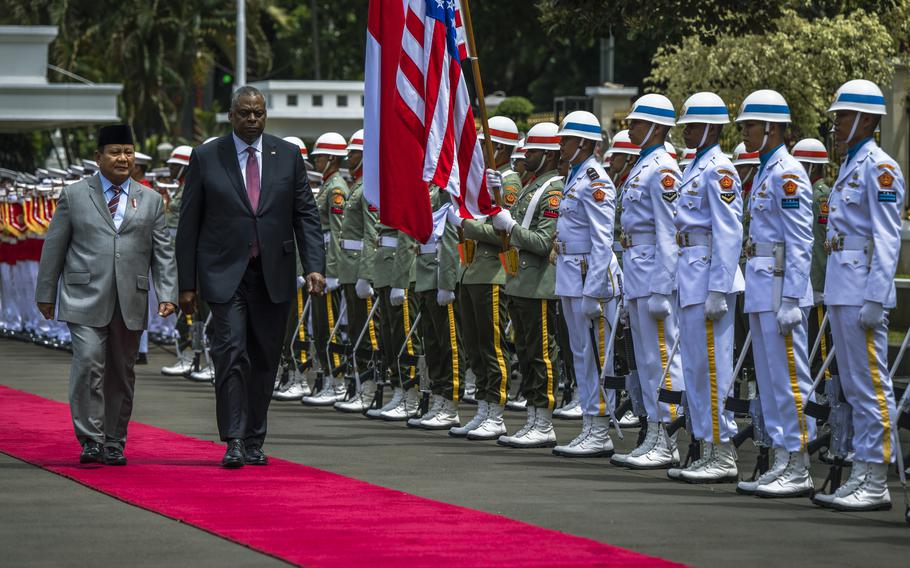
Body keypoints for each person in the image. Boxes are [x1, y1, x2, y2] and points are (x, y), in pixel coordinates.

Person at [176, 86, 325, 468]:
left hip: (272, 274)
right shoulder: (207, 157)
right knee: (230, 353)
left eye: (258, 113)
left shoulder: (287, 156)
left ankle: (256, 437)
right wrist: (187, 285)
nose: (253, 120)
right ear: (231, 115)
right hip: (225, 276)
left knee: (264, 359)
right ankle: (235, 439)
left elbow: (305, 214)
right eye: (245, 113)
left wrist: (314, 267)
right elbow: (188, 224)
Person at [35, 124, 177, 465]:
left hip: (131, 298)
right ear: (98, 157)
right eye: (115, 152)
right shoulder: (73, 195)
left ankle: (114, 440)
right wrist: (46, 291)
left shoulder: (152, 200)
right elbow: (54, 247)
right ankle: (90, 439)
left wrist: (167, 292)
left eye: (128, 152)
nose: (123, 158)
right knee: (87, 365)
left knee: (121, 372)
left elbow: (163, 252)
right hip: (83, 296)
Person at [813, 80, 903, 511]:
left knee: (870, 386)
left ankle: (875, 475)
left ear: (867, 120)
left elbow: (887, 238)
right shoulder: (851, 163)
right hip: (843, 288)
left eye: (843, 117)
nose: (836, 124)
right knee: (853, 385)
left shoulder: (880, 167)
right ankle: (863, 470)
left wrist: (875, 295)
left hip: (862, 289)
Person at [734, 90, 816, 498]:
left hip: (780, 288)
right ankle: (784, 456)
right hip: (764, 285)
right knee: (770, 380)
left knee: (789, 380)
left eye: (749, 125)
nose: (745, 133)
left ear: (770, 127)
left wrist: (791, 298)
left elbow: (800, 241)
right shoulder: (768, 171)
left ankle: (799, 461)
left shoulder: (787, 173)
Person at [667, 92, 745, 481]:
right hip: (691, 276)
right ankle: (706, 445)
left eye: (694, 126)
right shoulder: (696, 166)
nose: (688, 132)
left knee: (714, 369)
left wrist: (718, 288)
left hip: (708, 278)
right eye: (686, 126)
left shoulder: (718, 168)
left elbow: (729, 231)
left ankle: (723, 452)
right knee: (698, 368)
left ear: (713, 127)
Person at [610, 94, 685, 469]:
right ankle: (654, 429)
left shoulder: (662, 169)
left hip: (654, 274)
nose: (629, 127)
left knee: (661, 360)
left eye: (636, 122)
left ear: (656, 126)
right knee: (645, 359)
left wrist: (661, 286)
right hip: (639, 272)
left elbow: (669, 232)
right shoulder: (644, 165)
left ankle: (667, 436)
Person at [549, 110, 622, 458]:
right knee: (581, 354)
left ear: (583, 143)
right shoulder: (575, 176)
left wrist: (594, 290)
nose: (561, 144)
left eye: (566, 139)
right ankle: (590, 425)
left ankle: (599, 428)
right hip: (570, 273)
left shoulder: (595, 179)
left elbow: (602, 240)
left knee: (596, 356)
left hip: (588, 277)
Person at [446, 115, 521, 440]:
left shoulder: (508, 182)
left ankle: (497, 410)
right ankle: (483, 407)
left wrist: (467, 225)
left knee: (491, 346)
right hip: (471, 271)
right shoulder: (481, 181)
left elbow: (505, 233)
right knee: (474, 346)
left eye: (482, 146)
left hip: (492, 273)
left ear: (499, 148)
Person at [491, 121, 565, 448]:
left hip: (538, 283)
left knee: (540, 354)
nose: (525, 156)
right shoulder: (531, 185)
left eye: (532, 151)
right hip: (520, 281)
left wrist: (511, 227)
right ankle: (533, 418)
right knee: (525, 351)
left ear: (548, 155)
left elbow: (542, 240)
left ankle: (544, 419)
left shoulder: (552, 189)